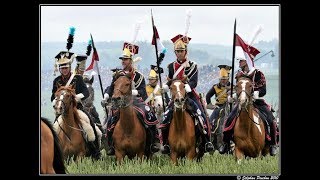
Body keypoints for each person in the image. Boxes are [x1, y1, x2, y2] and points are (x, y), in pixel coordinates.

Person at [101, 43, 159, 156]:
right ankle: (111, 144)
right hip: (120, 102)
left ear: (131, 60)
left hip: (136, 102)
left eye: (126, 59)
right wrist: (107, 95)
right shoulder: (117, 75)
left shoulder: (139, 76)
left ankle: (153, 143)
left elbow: (143, 92)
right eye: (122, 59)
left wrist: (132, 92)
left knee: (149, 115)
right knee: (110, 119)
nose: (123, 61)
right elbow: (112, 88)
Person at [159, 34, 214, 154]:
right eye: (177, 51)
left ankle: (206, 140)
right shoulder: (171, 66)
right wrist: (165, 87)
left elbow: (194, 81)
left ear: (186, 51)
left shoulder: (193, 65)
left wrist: (188, 86)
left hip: (189, 95)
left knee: (201, 115)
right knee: (165, 118)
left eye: (181, 51)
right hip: (175, 95)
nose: (179, 53)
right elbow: (170, 81)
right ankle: (166, 144)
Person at [219, 57, 278, 156]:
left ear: (247, 62)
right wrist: (233, 95)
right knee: (229, 119)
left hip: (256, 102)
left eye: (241, 60)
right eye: (239, 61)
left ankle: (272, 144)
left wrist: (256, 93)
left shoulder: (258, 73)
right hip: (241, 101)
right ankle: (226, 143)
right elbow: (236, 88)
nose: (239, 62)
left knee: (270, 120)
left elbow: (263, 89)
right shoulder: (239, 74)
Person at [51, 51, 101, 159]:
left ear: (69, 67)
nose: (64, 70)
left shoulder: (77, 78)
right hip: (62, 111)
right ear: (59, 69)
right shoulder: (57, 81)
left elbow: (86, 92)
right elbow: (52, 96)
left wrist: (78, 97)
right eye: (62, 68)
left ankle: (96, 152)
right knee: (53, 130)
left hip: (77, 109)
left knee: (91, 126)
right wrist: (55, 100)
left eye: (66, 68)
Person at [206, 65, 231, 131]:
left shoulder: (232, 87)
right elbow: (208, 96)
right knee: (210, 123)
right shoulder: (215, 87)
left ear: (228, 79)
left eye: (224, 79)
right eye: (221, 79)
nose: (223, 81)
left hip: (230, 107)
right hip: (219, 107)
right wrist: (210, 104)